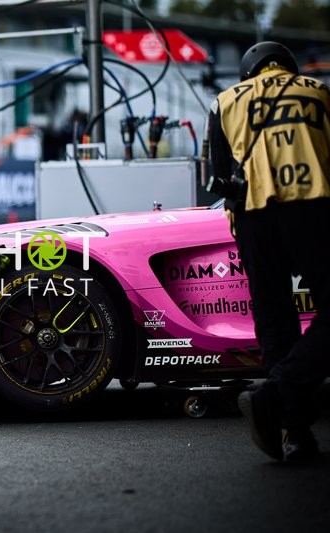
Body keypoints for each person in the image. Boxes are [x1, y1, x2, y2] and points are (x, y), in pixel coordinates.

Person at [208, 41, 330, 463]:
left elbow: (219, 176)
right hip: (314, 210)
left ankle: (295, 434)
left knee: (275, 320)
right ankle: (279, 392)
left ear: (248, 72)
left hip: (254, 218)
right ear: (288, 67)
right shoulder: (320, 92)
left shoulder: (224, 102)